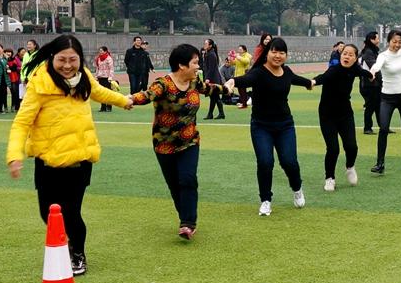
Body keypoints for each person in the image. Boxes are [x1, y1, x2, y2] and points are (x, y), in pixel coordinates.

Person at [7, 35, 133, 275]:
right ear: (52, 58)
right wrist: (15, 155)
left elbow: (99, 92)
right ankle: (63, 241)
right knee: (47, 212)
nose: (67, 65)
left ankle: (77, 253)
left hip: (79, 159)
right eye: (62, 60)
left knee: (72, 211)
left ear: (80, 59)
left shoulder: (83, 77)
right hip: (48, 161)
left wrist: (122, 100)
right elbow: (22, 122)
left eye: (72, 60)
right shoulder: (40, 83)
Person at [130, 44, 223, 239]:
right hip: (164, 144)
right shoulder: (163, 83)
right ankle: (185, 217)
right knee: (174, 185)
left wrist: (227, 88)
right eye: (195, 63)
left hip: (189, 141)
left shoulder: (194, 82)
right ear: (182, 65)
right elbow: (147, 95)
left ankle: (188, 222)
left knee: (187, 179)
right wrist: (129, 99)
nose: (198, 66)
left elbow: (209, 89)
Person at [225, 37, 313, 216]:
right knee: (265, 162)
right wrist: (232, 82)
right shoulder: (259, 72)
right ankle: (265, 200)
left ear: (286, 55)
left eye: (282, 52)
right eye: (274, 51)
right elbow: (245, 79)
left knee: (289, 162)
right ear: (267, 53)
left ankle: (297, 188)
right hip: (261, 126)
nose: (278, 55)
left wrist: (309, 83)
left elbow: (295, 79)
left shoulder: (286, 71)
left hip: (285, 125)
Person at [312, 43, 372, 191]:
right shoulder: (334, 70)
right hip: (327, 115)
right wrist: (313, 81)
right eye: (345, 53)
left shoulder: (355, 69)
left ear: (355, 58)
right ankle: (329, 178)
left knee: (351, 146)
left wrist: (371, 75)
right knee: (333, 149)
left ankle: (350, 167)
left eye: (351, 55)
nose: (347, 56)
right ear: (340, 55)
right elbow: (322, 78)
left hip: (345, 113)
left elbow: (363, 72)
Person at [369, 29, 401, 174]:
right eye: (394, 42)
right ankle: (380, 163)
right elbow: (377, 66)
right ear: (388, 41)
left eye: (400, 42)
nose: (397, 45)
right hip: (387, 97)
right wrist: (372, 72)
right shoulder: (383, 56)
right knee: (383, 129)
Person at [202, 38, 225, 120]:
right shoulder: (209, 53)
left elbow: (211, 68)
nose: (204, 45)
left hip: (213, 78)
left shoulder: (211, 54)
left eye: (206, 44)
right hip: (213, 77)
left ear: (210, 45)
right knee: (214, 97)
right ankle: (219, 114)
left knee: (214, 96)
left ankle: (212, 114)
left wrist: (207, 78)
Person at [94, 46, 115, 112]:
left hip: (107, 77)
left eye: (101, 51)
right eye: (99, 51)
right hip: (101, 77)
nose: (100, 52)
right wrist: (96, 76)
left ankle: (109, 106)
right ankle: (103, 107)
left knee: (108, 92)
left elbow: (111, 68)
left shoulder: (109, 58)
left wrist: (110, 77)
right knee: (101, 93)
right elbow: (97, 68)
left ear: (105, 51)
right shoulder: (98, 58)